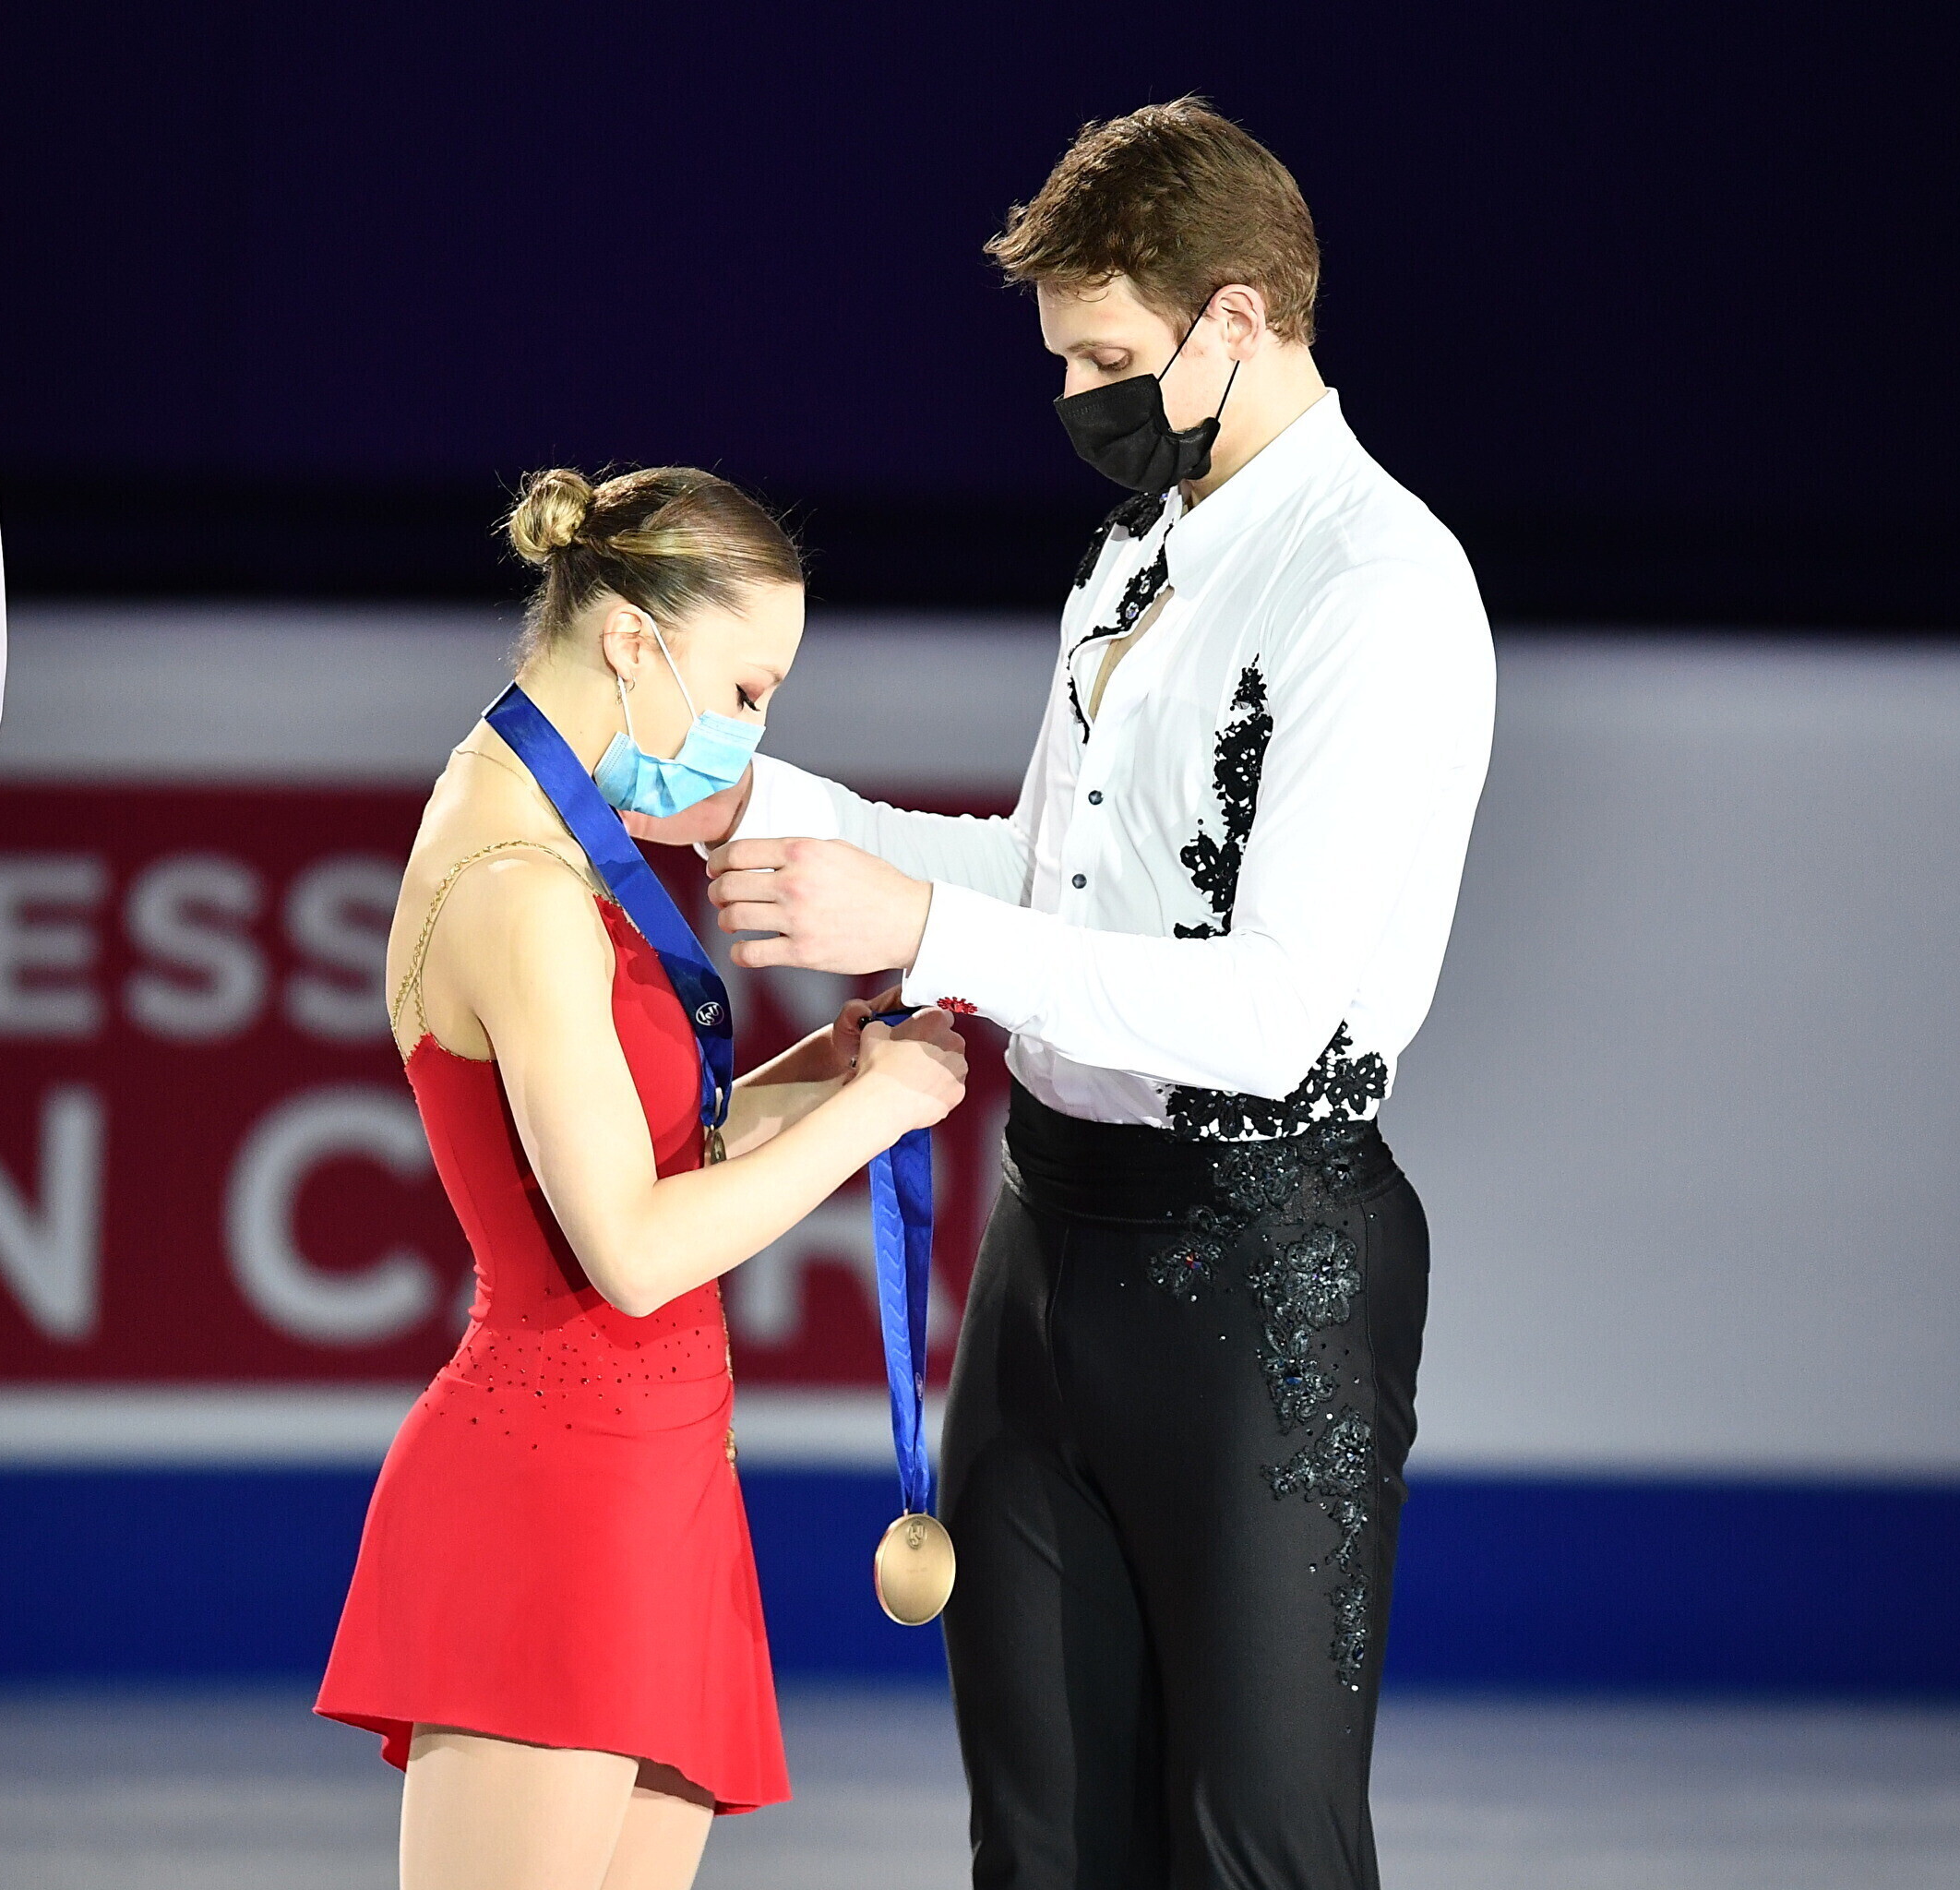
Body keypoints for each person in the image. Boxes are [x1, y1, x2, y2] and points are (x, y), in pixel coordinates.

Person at [644, 99, 1498, 1887]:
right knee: (1038, 1842)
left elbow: (1271, 1010)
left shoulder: (1378, 587)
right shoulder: (1130, 559)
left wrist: (921, 932)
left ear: (1238, 319)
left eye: (1107, 358)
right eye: (1062, 361)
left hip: (1264, 1271)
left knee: (1255, 1846)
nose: (1076, 398)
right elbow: (1048, 876)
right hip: (1049, 1249)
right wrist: (777, 815)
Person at [315, 465, 971, 1890]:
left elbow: (646, 1155)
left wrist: (821, 1078)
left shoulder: (542, 840)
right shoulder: (518, 884)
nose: (749, 732)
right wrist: (877, 1115)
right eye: (743, 690)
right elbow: (631, 1247)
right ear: (630, 641)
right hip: (555, 1496)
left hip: (653, 1481)